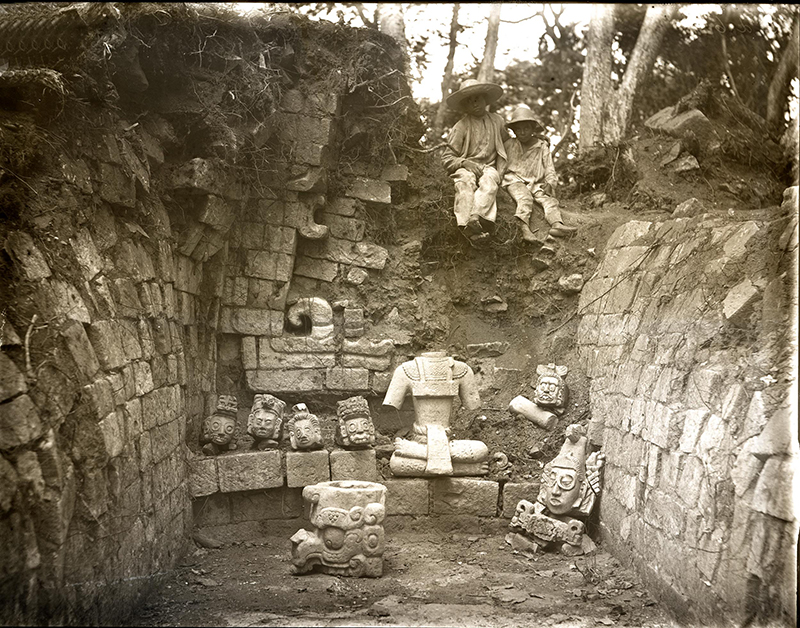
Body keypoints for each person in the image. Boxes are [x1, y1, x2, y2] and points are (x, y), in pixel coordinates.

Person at [442, 79, 509, 245]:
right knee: (464, 183)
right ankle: (465, 225)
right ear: (465, 106)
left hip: (489, 166)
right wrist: (464, 163)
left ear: (485, 99)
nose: (475, 104)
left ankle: (476, 217)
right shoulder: (461, 126)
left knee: (490, 181)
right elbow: (447, 157)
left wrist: (532, 141)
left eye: (477, 99)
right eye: (469, 101)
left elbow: (508, 143)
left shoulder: (497, 121)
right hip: (467, 166)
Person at [502, 106, 577, 242]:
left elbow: (549, 169)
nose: (522, 132)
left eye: (526, 128)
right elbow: (499, 163)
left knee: (549, 201)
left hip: (536, 183)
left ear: (533, 129)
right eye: (518, 129)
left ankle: (556, 224)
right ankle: (524, 228)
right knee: (524, 198)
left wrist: (550, 184)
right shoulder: (508, 144)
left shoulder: (542, 146)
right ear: (513, 131)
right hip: (514, 180)